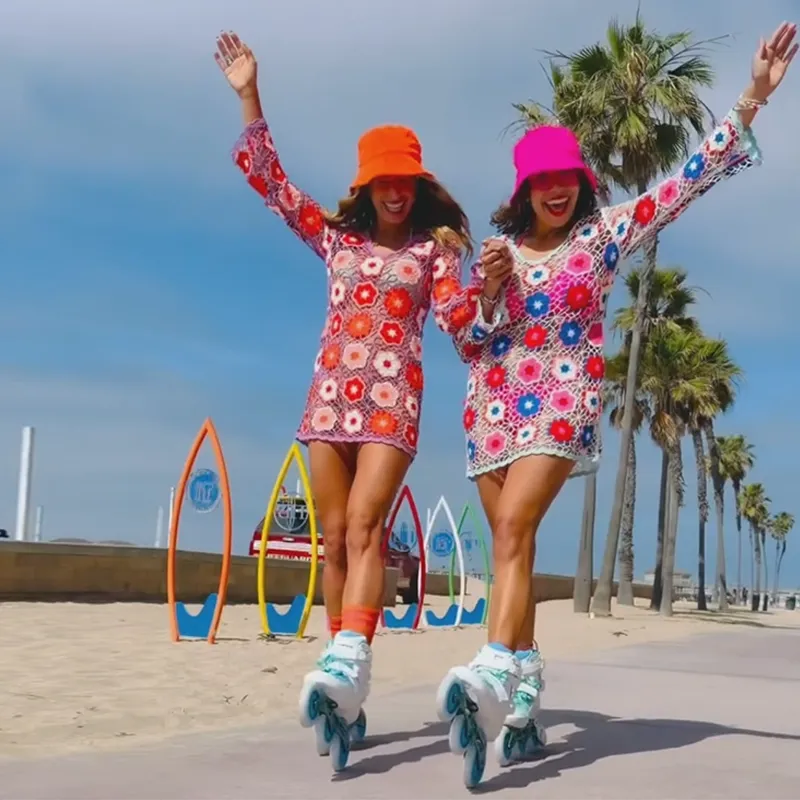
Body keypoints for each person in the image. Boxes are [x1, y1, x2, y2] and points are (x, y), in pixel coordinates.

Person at [436, 22, 797, 788]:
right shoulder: (499, 254)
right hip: (490, 411)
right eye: (543, 181)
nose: (558, 189)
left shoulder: (601, 237)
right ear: (524, 191)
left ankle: (494, 672)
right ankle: (526, 704)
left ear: (581, 182)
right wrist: (492, 287)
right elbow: (472, 343)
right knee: (514, 551)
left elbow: (684, 182)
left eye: (567, 176)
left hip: (561, 405)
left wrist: (753, 99)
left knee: (513, 528)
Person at [214, 31, 513, 770]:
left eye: (405, 179)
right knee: (336, 536)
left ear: (417, 185)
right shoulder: (338, 241)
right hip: (327, 402)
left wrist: (493, 288)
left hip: (390, 404)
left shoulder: (433, 253)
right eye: (384, 179)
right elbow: (274, 184)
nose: (395, 189)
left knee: (368, 526)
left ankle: (351, 663)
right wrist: (251, 93)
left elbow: (457, 320)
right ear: (366, 184)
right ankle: (342, 684)